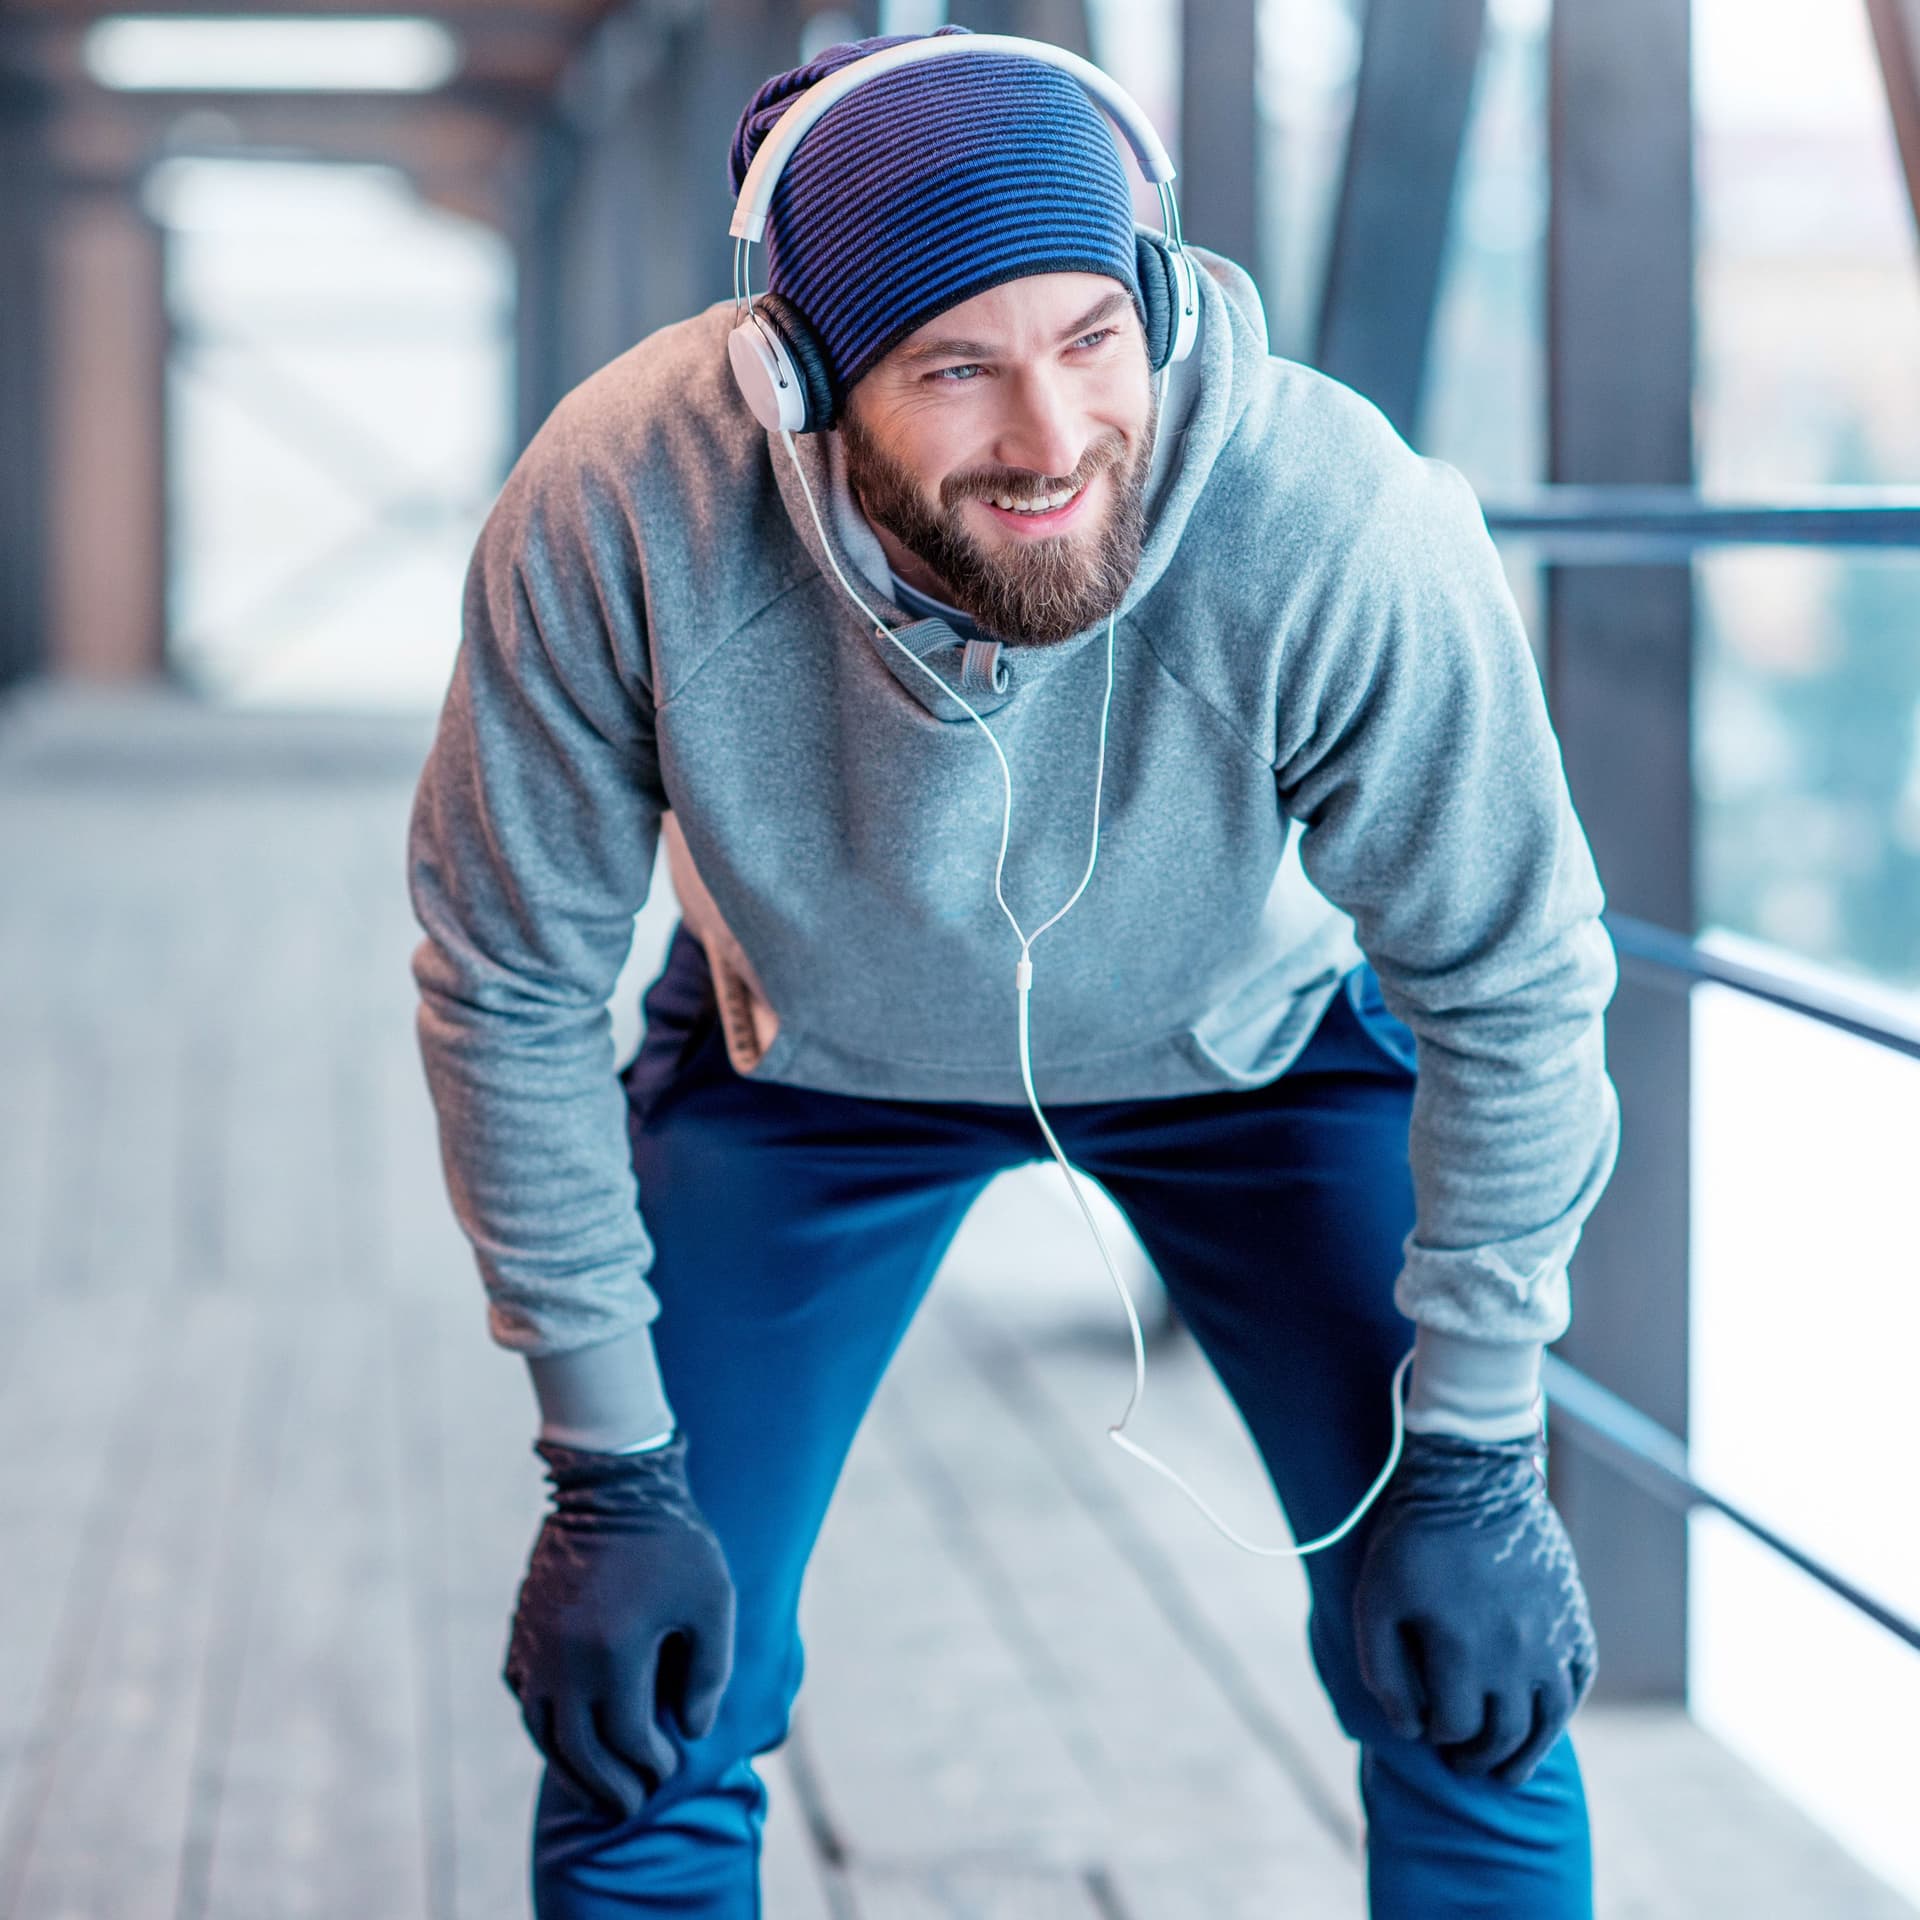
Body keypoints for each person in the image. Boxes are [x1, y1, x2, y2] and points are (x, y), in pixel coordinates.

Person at [405, 26, 1620, 1920]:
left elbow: (1514, 976)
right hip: (796, 1071)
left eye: (1088, 340)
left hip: (1255, 1051)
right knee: (645, 1708)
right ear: (802, 377)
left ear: (1154, 306)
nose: (1050, 439)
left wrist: (1475, 1454)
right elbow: (508, 972)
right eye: (956, 367)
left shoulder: (1331, 517)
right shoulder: (618, 504)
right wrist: (605, 1476)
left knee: (1469, 1688)